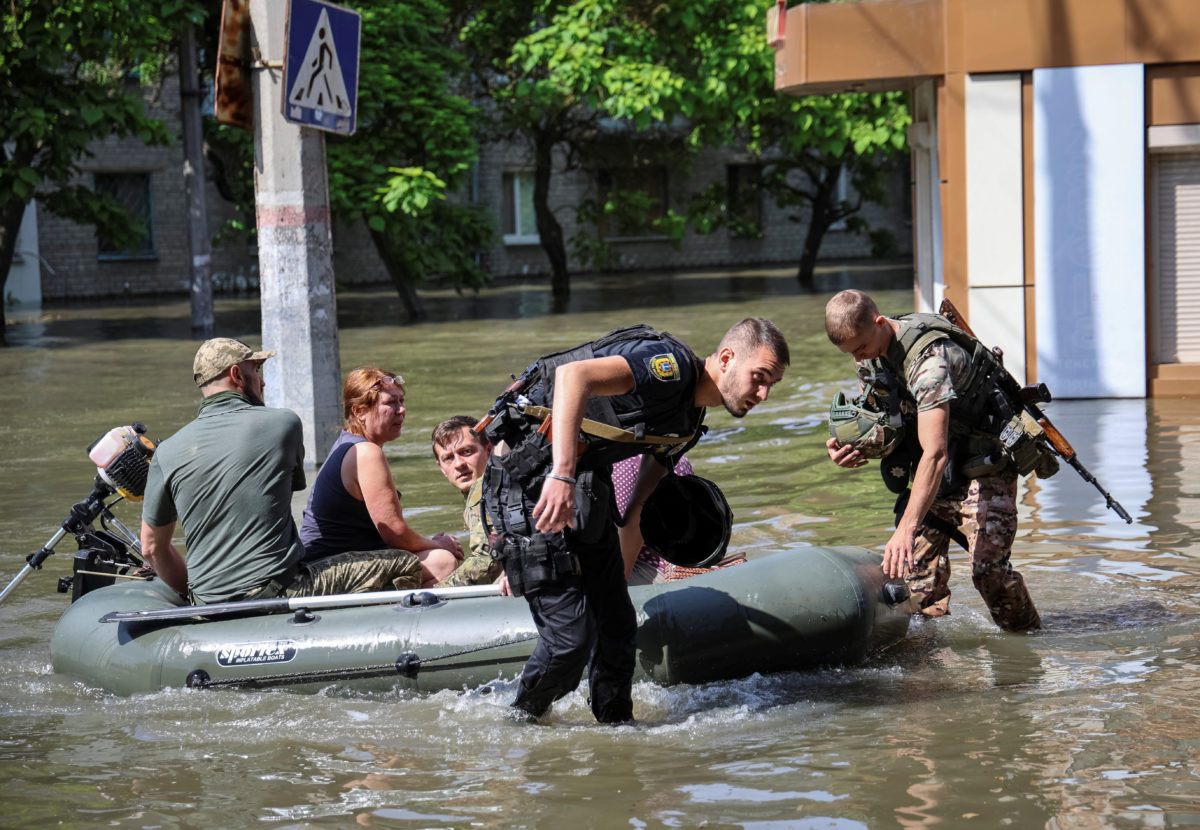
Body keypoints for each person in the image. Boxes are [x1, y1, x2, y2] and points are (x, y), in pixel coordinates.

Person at [479, 318, 789, 723]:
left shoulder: (689, 420)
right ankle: (517, 723)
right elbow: (572, 377)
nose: (763, 394)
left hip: (585, 481)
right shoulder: (669, 367)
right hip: (528, 477)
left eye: (772, 386)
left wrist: (624, 543)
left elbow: (645, 491)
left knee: (618, 624)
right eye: (759, 378)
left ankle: (616, 727)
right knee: (570, 641)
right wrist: (563, 473)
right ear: (727, 359)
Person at [823, 289, 1044, 632]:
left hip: (983, 463)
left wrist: (907, 528)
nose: (858, 357)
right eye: (850, 352)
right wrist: (855, 448)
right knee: (914, 576)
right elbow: (891, 423)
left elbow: (935, 453)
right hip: (938, 471)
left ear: (879, 323)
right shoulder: (868, 356)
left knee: (988, 573)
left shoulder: (929, 363)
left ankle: (1029, 643)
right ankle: (931, 668)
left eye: (861, 347)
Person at [141, 340, 427, 605]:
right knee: (411, 563)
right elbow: (280, 494)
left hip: (207, 600)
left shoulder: (165, 453)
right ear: (237, 375)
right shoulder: (282, 424)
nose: (263, 381)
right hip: (279, 589)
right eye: (256, 370)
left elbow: (152, 549)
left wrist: (194, 598)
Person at [300, 367, 462, 587]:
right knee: (442, 561)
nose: (401, 410)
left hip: (324, 567)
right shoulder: (366, 453)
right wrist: (438, 545)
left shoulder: (348, 443)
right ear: (359, 412)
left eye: (402, 401)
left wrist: (429, 543)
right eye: (390, 403)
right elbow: (395, 534)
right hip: (325, 573)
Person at [430, 415, 505, 588]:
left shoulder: (484, 488)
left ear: (489, 449)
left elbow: (487, 560)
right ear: (441, 468)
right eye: (448, 458)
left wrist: (435, 592)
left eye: (467, 452)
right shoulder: (498, 481)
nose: (459, 464)